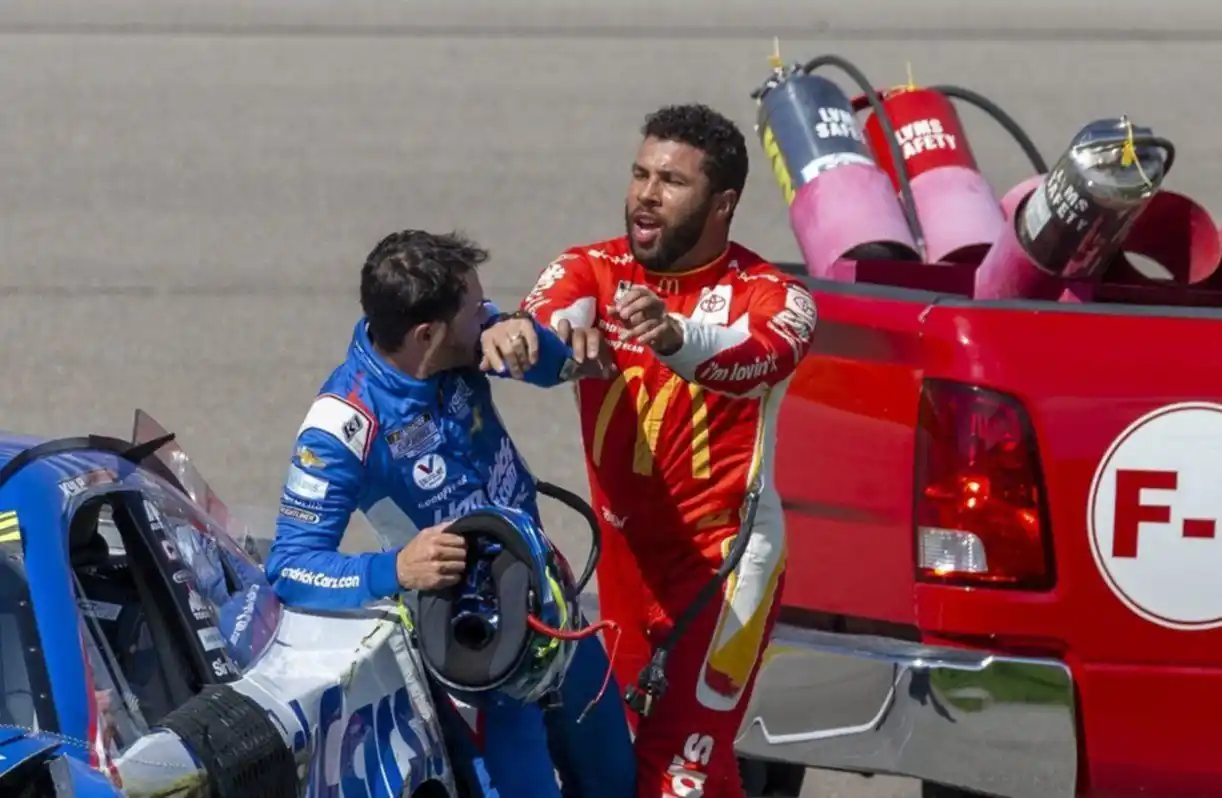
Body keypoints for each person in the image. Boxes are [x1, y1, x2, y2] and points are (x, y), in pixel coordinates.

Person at [502, 103, 818, 798]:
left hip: (725, 572)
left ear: (722, 203)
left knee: (674, 775)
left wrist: (675, 336)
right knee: (628, 769)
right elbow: (546, 324)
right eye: (640, 174)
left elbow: (757, 358)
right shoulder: (590, 267)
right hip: (624, 569)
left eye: (672, 182)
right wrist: (537, 340)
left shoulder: (775, 296)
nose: (646, 194)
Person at [263, 228, 632, 798]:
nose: (486, 315)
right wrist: (395, 569)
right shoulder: (342, 426)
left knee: (615, 778)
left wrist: (523, 329)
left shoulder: (470, 341)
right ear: (427, 334)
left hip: (549, 598)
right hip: (478, 653)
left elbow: (567, 366)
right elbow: (290, 566)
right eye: (475, 309)